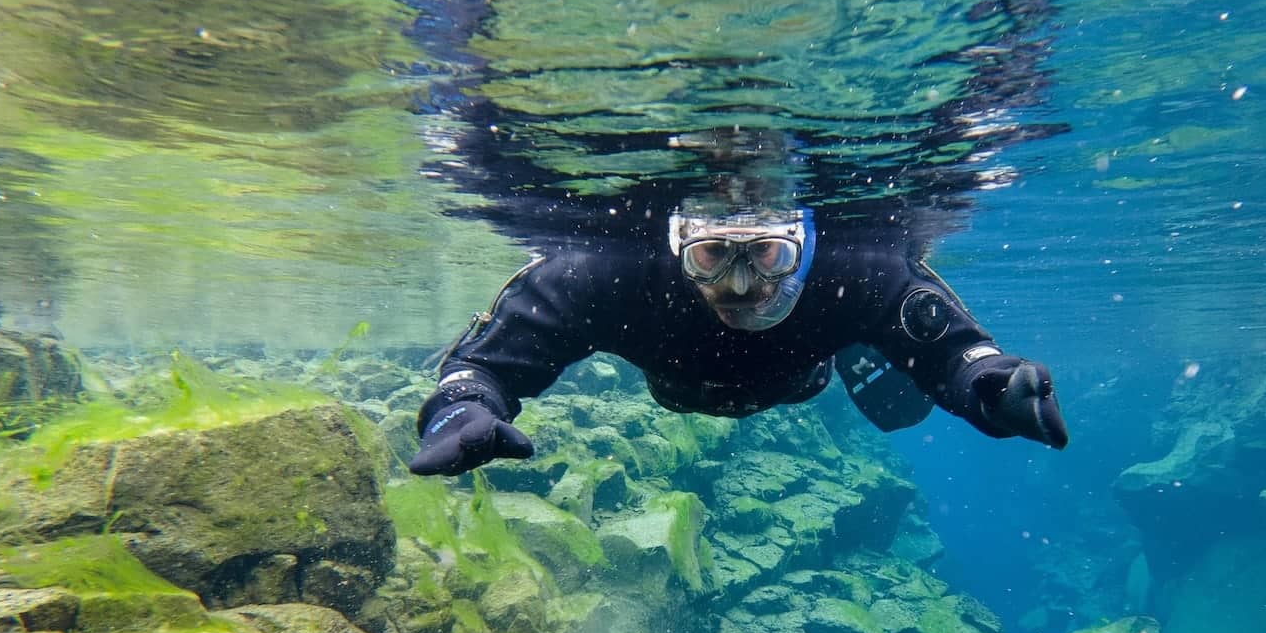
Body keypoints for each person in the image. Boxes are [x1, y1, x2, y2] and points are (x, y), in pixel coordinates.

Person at [408, 201, 1069, 477]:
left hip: (803, 373)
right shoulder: (608, 274)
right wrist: (463, 408)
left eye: (771, 256)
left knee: (879, 327)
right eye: (712, 258)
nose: (743, 285)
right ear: (675, 248)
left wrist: (987, 387)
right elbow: (484, 366)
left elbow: (954, 353)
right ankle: (860, 341)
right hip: (680, 382)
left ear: (808, 246)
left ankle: (861, 343)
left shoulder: (857, 268)